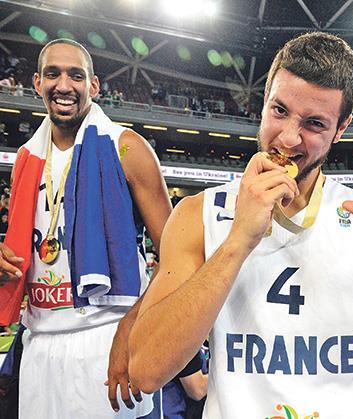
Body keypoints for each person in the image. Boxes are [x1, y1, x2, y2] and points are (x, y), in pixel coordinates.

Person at [128, 32, 353, 417]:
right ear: (264, 99)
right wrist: (237, 242)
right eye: (279, 110)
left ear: (341, 127)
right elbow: (146, 371)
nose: (288, 139)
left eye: (314, 123)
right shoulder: (197, 214)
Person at [0, 39, 172, 417]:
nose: (64, 85)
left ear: (93, 86)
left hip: (108, 336)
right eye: (53, 74)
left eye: (76, 76)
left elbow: (179, 257)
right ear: (37, 83)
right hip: (40, 341)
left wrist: (134, 327)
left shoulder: (127, 148)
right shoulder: (26, 159)